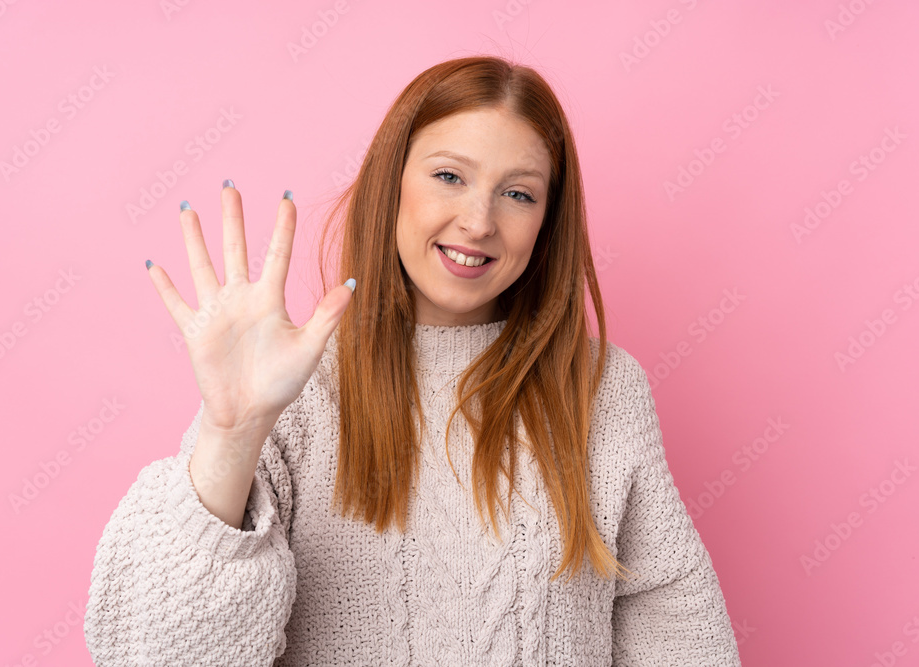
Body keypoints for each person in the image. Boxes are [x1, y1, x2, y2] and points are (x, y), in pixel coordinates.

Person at [84, 55, 742, 666]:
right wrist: (232, 432)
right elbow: (152, 651)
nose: (479, 220)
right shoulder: (295, 381)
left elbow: (679, 630)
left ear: (547, 221)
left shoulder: (602, 387)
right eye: (449, 176)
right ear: (391, 184)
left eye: (519, 193)